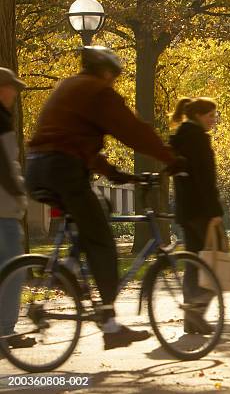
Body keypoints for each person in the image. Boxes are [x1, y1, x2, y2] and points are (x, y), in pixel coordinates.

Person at [25, 46, 184, 349]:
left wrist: (115, 173)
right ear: (107, 71)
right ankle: (110, 325)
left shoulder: (69, 87)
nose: (113, 81)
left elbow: (76, 142)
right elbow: (133, 131)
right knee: (102, 242)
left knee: (101, 207)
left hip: (39, 169)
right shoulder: (98, 92)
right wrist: (169, 158)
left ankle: (70, 266)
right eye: (114, 75)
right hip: (63, 169)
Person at [169, 97, 223, 334]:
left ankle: (191, 321)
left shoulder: (180, 138)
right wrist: (214, 211)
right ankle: (197, 310)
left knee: (193, 264)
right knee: (218, 262)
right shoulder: (198, 139)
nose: (213, 120)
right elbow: (205, 179)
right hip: (201, 210)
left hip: (186, 210)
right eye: (211, 115)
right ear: (199, 116)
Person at [0, 68, 35, 349]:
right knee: (14, 271)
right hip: (3, 208)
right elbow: (5, 166)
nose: (16, 94)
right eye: (13, 88)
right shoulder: (1, 119)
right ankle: (6, 332)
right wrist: (19, 193)